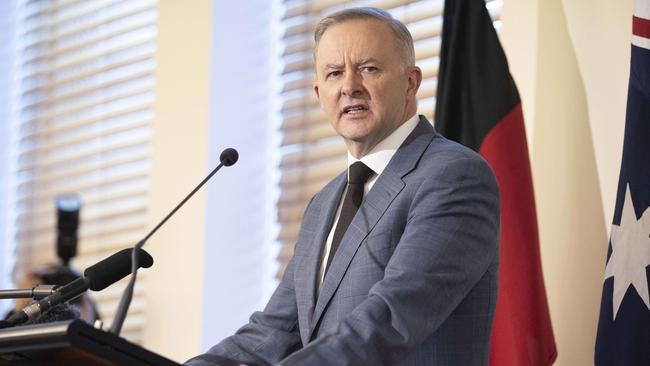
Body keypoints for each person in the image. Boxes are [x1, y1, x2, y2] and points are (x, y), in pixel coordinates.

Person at [187, 7, 500, 366]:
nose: (350, 86)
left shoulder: (453, 175)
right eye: (335, 73)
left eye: (369, 68)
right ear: (320, 93)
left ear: (411, 82)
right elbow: (275, 330)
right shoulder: (323, 203)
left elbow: (392, 318)